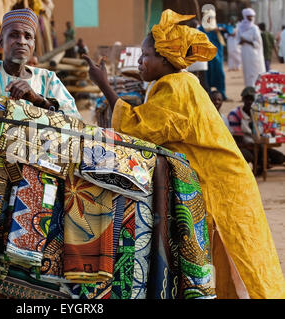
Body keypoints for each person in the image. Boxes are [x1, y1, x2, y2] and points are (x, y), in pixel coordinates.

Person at [82, 9, 285, 299]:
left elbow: (139, 128)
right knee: (228, 259)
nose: (140, 61)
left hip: (223, 186)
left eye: (146, 55)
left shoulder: (176, 87)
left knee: (240, 257)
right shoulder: (176, 84)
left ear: (165, 58)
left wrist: (104, 83)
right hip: (222, 182)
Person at [227, 86, 285, 170]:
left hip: (257, 144)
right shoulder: (235, 115)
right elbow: (238, 140)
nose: (250, 102)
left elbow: (268, 132)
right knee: (249, 156)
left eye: (252, 99)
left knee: (280, 158)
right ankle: (258, 164)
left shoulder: (260, 113)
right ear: (243, 100)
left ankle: (261, 163)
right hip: (242, 146)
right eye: (247, 99)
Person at [198, 7, 232, 100]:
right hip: (206, 58)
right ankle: (208, 97)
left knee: (220, 75)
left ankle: (222, 95)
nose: (210, 19)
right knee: (206, 78)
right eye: (208, 17)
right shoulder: (201, 28)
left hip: (218, 58)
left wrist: (221, 29)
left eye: (212, 17)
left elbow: (231, 29)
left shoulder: (218, 27)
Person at [237, 8, 266, 87]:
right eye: (249, 16)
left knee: (256, 72)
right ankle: (249, 91)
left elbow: (258, 43)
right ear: (245, 16)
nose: (251, 18)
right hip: (245, 54)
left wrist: (246, 41)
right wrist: (242, 41)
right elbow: (238, 41)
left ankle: (257, 91)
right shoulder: (240, 28)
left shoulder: (254, 28)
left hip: (254, 55)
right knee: (247, 72)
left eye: (252, 16)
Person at [186, 18, 209, 92]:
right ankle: (206, 95)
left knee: (192, 80)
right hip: (202, 62)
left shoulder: (187, 35)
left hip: (192, 62)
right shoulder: (203, 35)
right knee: (203, 81)